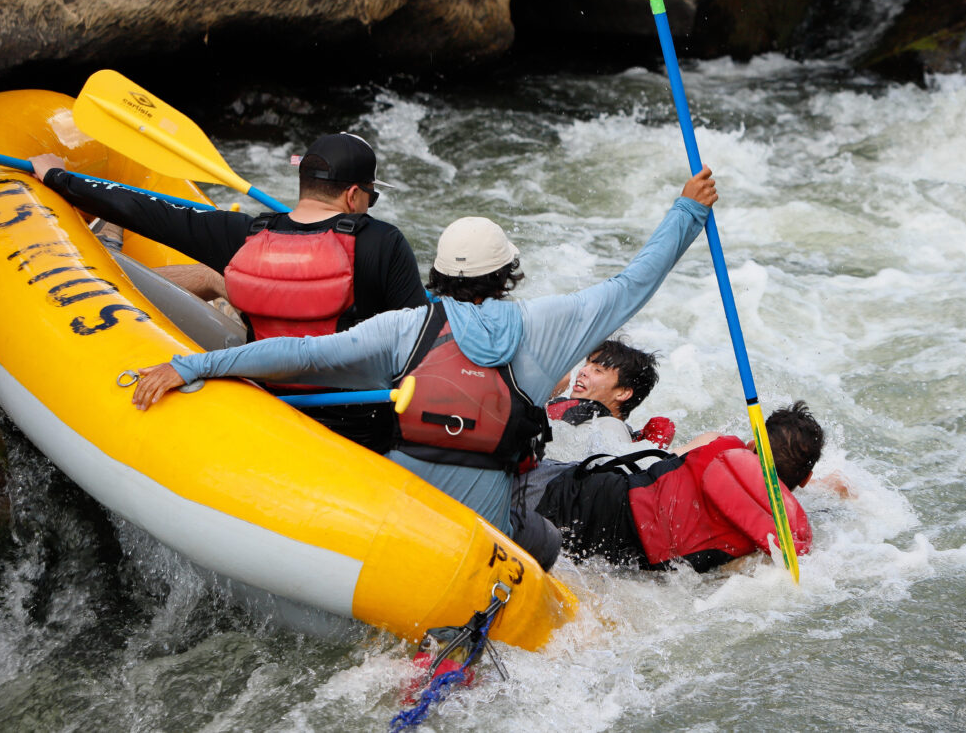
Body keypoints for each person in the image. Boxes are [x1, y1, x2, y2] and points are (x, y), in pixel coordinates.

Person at [127, 167, 719, 553]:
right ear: (508, 274)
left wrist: (192, 366)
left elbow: (298, 354)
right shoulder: (547, 324)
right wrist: (687, 211)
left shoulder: (403, 327)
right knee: (548, 542)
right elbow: (635, 280)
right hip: (490, 527)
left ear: (438, 274)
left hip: (399, 511)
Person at [31, 133, 428, 449]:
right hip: (361, 428)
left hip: (261, 407)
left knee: (213, 278)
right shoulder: (384, 242)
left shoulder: (243, 235)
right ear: (353, 195)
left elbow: (150, 213)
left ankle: (106, 252)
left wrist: (58, 178)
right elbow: (422, 343)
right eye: (370, 197)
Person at [528, 401, 824, 573]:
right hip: (633, 563)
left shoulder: (721, 445)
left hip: (593, 499)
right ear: (805, 480)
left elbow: (667, 459)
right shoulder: (771, 542)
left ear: (750, 446)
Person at [545, 340, 675, 451]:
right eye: (586, 365)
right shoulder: (575, 416)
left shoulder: (611, 429)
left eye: (597, 370)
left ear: (622, 393)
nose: (582, 371)